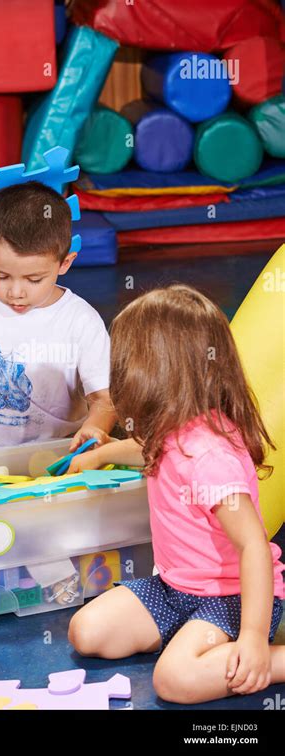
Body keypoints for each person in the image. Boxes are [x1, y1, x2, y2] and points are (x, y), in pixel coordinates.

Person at [67, 284, 285, 704]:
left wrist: (254, 639)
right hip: (174, 588)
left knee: (176, 682)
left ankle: (272, 659)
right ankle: (194, 643)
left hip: (232, 598)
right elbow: (148, 450)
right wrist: (100, 455)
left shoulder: (211, 457)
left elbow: (255, 546)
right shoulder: (175, 425)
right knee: (87, 632)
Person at [0, 180, 117, 455]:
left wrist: (94, 429)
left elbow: (104, 399)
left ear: (65, 263)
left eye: (34, 279)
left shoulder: (81, 321)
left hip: (60, 454)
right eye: (0, 275)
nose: (16, 292)